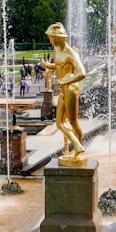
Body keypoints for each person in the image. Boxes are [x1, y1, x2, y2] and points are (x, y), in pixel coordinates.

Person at [39, 21, 86, 160]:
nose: (49, 40)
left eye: (51, 37)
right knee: (59, 123)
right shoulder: (57, 49)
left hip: (71, 89)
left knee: (73, 121)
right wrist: (48, 65)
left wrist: (65, 81)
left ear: (57, 38)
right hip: (62, 89)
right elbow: (60, 66)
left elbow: (82, 73)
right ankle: (77, 146)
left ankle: (78, 147)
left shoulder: (71, 53)